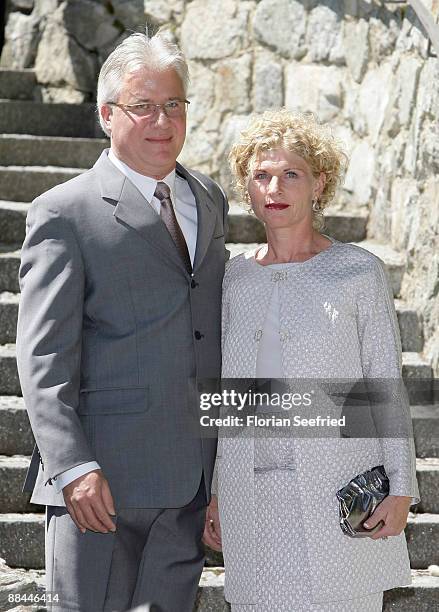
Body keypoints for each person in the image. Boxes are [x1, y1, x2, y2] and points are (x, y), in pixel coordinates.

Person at [16, 30, 228, 612]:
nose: (162, 121)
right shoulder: (64, 211)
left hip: (190, 482)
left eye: (174, 105)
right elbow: (42, 357)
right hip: (100, 485)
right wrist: (73, 467)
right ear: (107, 114)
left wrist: (224, 468)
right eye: (143, 106)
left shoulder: (208, 198)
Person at [203, 110, 419, 611]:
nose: (274, 187)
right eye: (261, 175)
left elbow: (385, 384)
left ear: (319, 183)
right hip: (250, 498)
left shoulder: (358, 272)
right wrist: (216, 491)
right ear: (247, 188)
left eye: (290, 174)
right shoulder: (233, 279)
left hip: (338, 494)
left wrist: (402, 487)